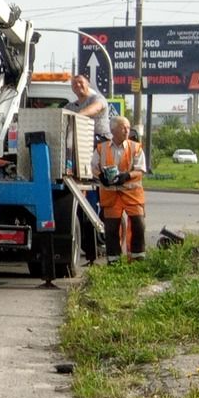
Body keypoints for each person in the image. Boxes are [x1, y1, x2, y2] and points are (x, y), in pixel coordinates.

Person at [68, 75, 112, 263]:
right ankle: (91, 250)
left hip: (100, 149)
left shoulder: (97, 99)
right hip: (80, 158)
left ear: (88, 85)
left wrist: (74, 117)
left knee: (106, 206)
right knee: (84, 210)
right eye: (75, 84)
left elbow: (94, 110)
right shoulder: (70, 107)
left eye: (81, 83)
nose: (78, 86)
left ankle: (108, 245)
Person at [97, 115, 147, 262]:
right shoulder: (102, 149)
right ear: (113, 130)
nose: (127, 130)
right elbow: (93, 167)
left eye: (127, 127)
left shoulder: (135, 147)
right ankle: (114, 261)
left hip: (132, 195)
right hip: (111, 196)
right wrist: (101, 176)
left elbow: (141, 169)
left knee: (138, 225)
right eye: (123, 127)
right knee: (112, 229)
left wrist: (127, 176)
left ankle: (137, 259)